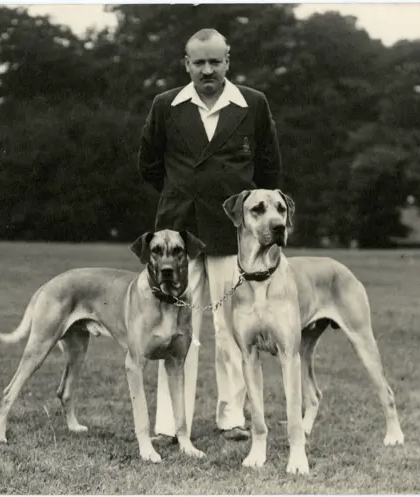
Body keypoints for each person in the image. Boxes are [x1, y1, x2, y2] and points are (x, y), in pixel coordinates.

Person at [137, 28, 283, 442]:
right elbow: (148, 165)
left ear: (227, 62)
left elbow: (269, 171)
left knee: (231, 327)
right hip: (177, 236)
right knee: (175, 328)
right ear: (186, 64)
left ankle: (232, 416)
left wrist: (247, 218)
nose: (207, 70)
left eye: (215, 62)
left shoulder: (252, 104)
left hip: (230, 232)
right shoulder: (165, 105)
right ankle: (168, 425)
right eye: (198, 62)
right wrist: (179, 195)